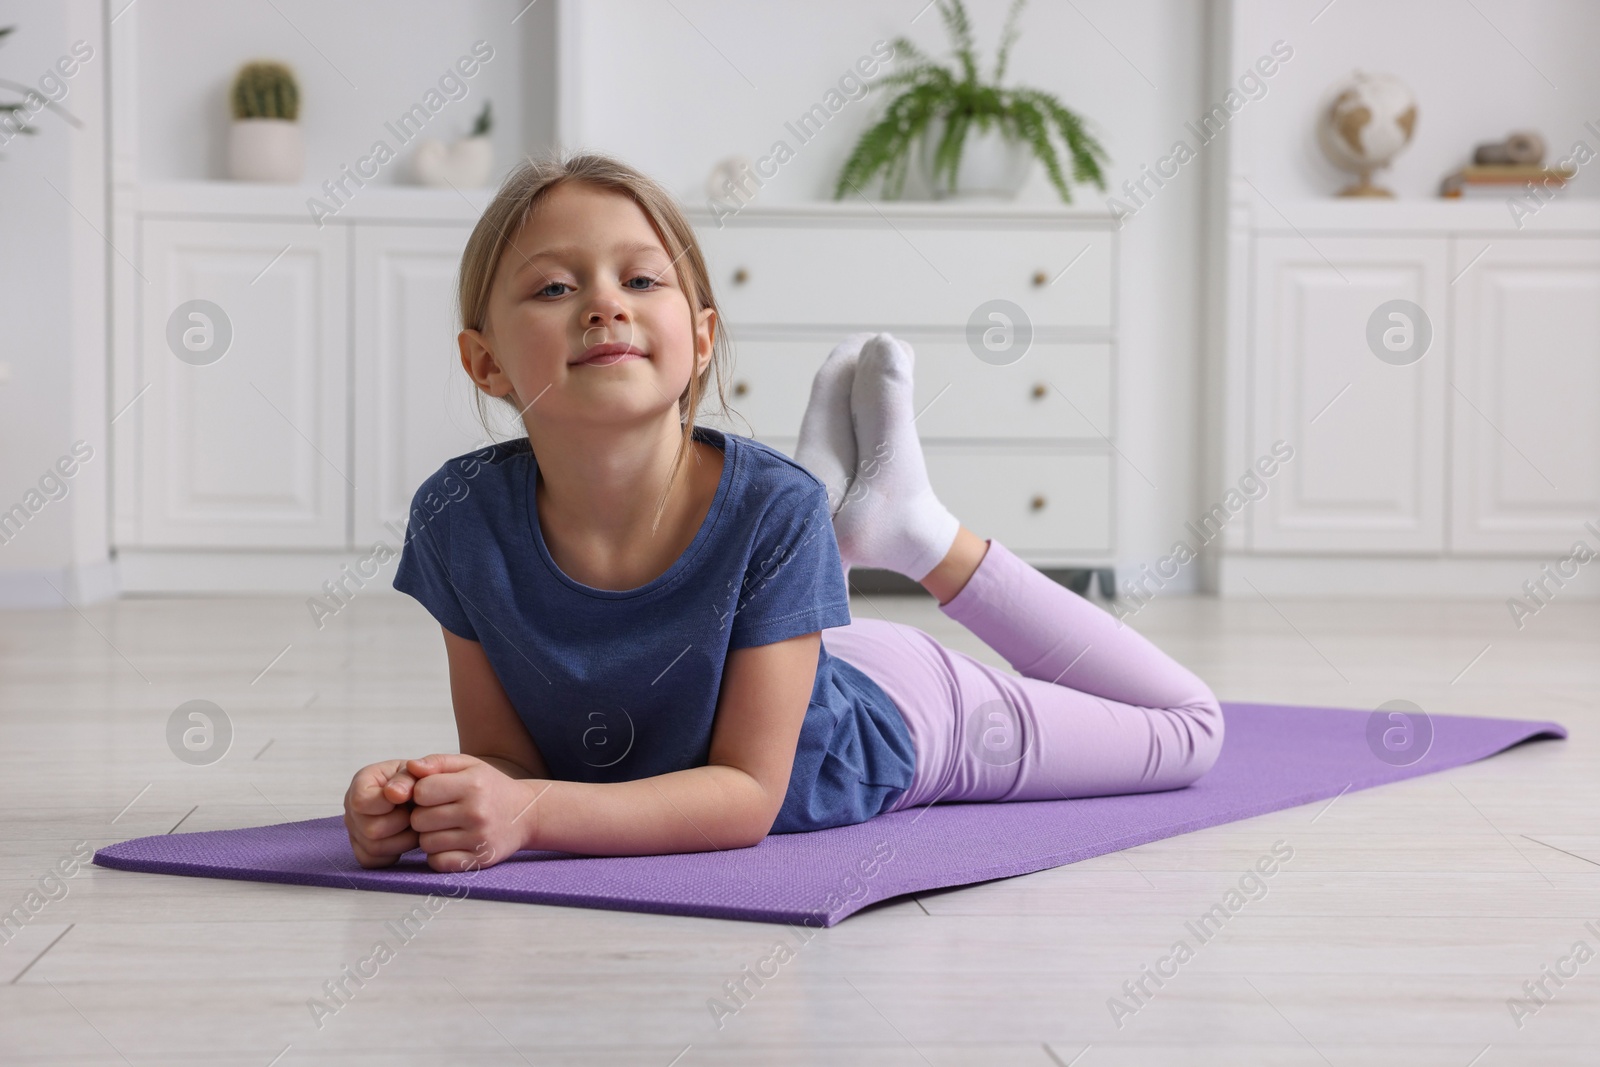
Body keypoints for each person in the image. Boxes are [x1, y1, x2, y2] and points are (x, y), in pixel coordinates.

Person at [342, 152, 1224, 873]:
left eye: (641, 278)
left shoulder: (773, 509)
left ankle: (916, 532)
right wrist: (427, 795)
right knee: (787, 535)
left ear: (702, 338)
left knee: (1192, 733)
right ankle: (845, 543)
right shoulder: (458, 515)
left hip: (888, 717)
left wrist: (530, 815)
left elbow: (743, 797)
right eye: (553, 290)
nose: (605, 302)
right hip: (779, 652)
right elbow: (510, 763)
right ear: (484, 361)